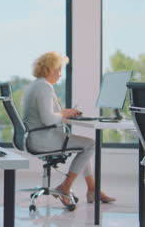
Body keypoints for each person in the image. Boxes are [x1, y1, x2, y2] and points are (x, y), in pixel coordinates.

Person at [22, 51, 115, 207]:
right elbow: (48, 119)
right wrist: (64, 113)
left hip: (36, 137)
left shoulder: (36, 85)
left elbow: (47, 115)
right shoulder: (44, 87)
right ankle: (66, 187)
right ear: (49, 69)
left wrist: (64, 113)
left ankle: (92, 189)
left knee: (83, 145)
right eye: (58, 69)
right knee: (90, 144)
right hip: (43, 139)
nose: (60, 74)